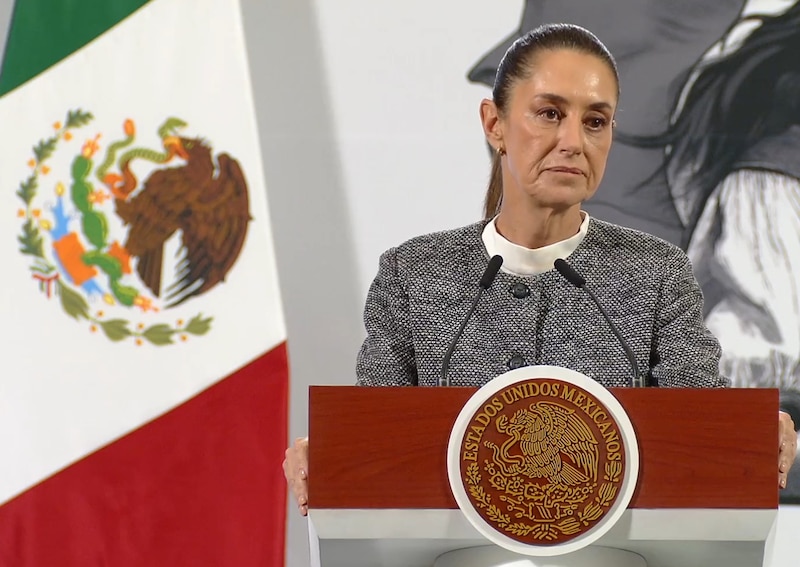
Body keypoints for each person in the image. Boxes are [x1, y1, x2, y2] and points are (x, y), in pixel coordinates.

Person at [283, 23, 797, 517]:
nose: (574, 141)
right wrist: (327, 454)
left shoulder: (657, 273)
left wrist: (751, 433)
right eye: (550, 114)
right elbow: (376, 437)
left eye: (595, 122)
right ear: (494, 124)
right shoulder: (414, 275)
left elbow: (701, 425)